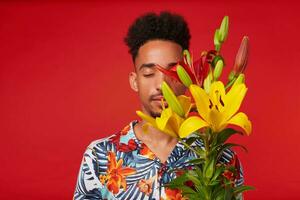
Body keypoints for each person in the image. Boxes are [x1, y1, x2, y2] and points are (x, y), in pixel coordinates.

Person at [73, 11, 244, 200]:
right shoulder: (100, 155)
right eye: (148, 73)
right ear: (134, 80)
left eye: (173, 73)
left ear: (188, 78)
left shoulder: (219, 156)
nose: (162, 85)